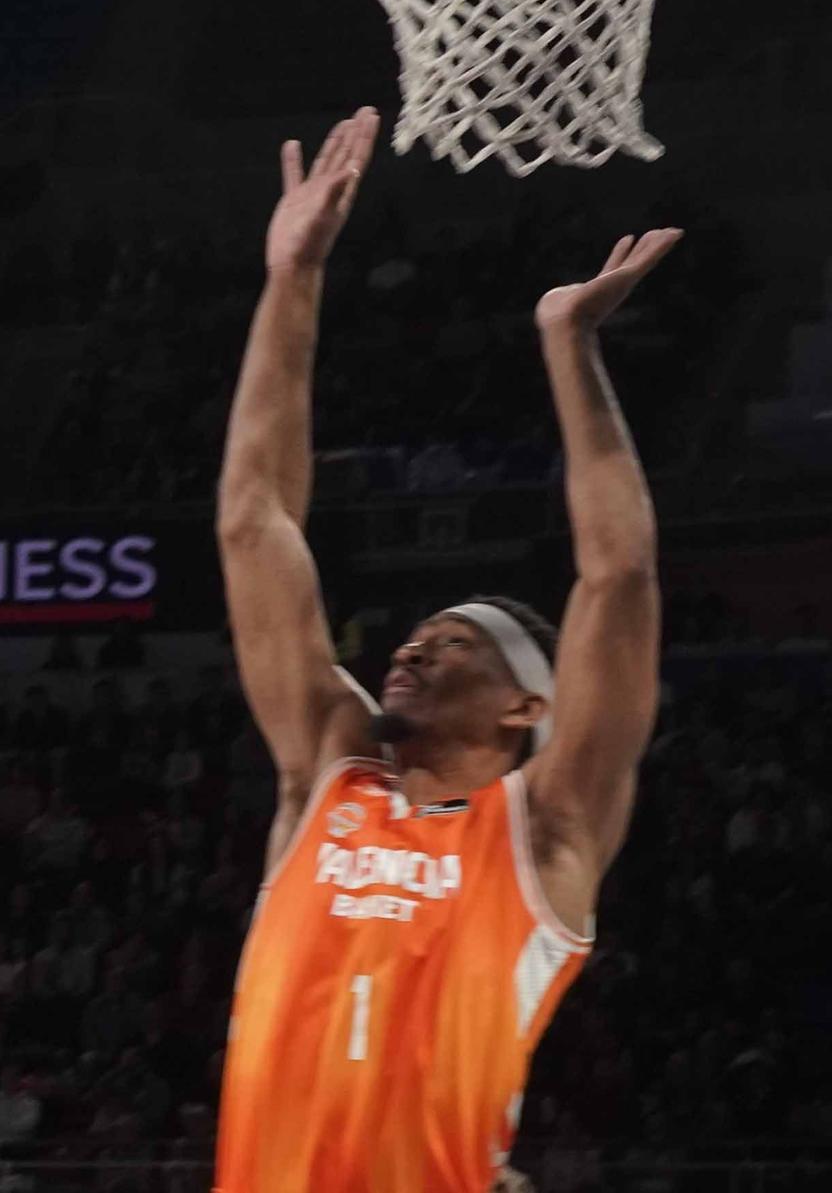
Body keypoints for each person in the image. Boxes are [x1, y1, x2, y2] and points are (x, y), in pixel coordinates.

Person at [212, 108, 674, 1192]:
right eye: (415, 637)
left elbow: (617, 576)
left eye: (456, 644)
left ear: (527, 707)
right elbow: (251, 522)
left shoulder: (545, 828)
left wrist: (568, 345)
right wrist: (293, 277)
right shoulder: (331, 763)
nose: (412, 650)